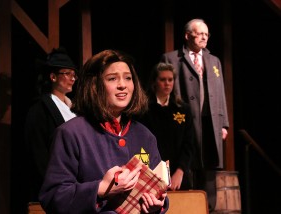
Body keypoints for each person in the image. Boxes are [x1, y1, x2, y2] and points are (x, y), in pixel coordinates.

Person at [38, 49, 168, 213]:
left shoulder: (145, 135)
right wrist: (101, 188)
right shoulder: (71, 133)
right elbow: (52, 197)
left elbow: (159, 190)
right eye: (112, 78)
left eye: (128, 78)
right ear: (95, 85)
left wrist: (157, 205)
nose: (122, 85)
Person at [160, 18, 229, 211]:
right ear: (187, 35)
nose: (204, 37)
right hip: (184, 121)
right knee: (187, 163)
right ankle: (188, 207)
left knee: (210, 167)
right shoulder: (172, 58)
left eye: (207, 34)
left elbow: (221, 92)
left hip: (210, 121)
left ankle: (208, 207)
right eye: (200, 33)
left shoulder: (213, 60)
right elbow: (167, 91)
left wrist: (224, 123)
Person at [24, 47, 78, 202]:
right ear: (53, 76)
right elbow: (38, 154)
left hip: (78, 183)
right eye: (67, 73)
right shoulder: (39, 110)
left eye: (74, 75)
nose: (73, 78)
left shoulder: (75, 110)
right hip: (57, 187)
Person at [139, 62, 195, 191]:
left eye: (170, 79)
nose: (167, 83)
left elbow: (189, 144)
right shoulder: (144, 110)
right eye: (162, 79)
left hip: (178, 175)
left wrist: (180, 171)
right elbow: (141, 144)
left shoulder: (183, 109)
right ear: (154, 82)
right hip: (151, 172)